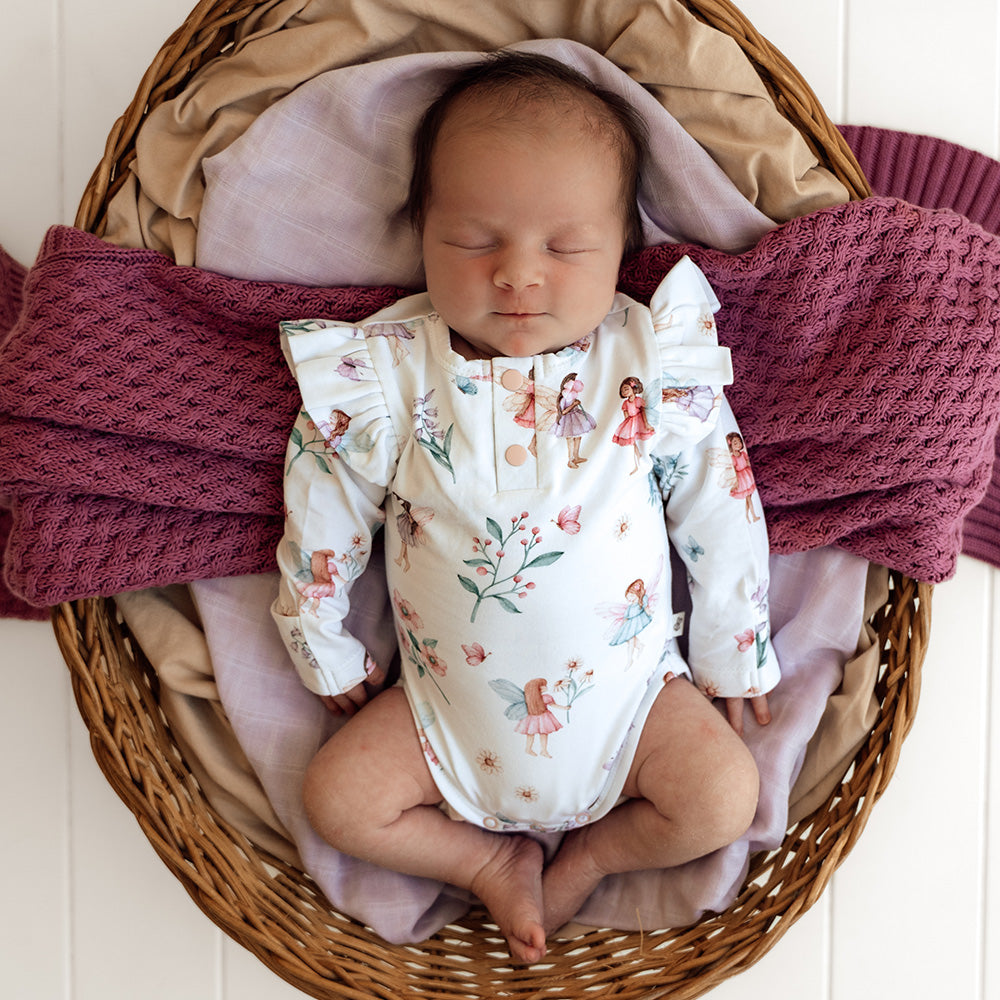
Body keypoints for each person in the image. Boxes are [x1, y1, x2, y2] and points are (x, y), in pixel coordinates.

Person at [271, 51, 779, 965]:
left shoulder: (646, 364)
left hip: (635, 711)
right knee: (337, 800)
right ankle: (485, 862)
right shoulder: (388, 375)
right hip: (440, 719)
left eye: (564, 247)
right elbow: (322, 504)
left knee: (721, 798)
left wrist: (733, 647)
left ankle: (593, 858)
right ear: (422, 231)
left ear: (619, 248)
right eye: (474, 240)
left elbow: (721, 497)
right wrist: (317, 629)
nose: (517, 275)